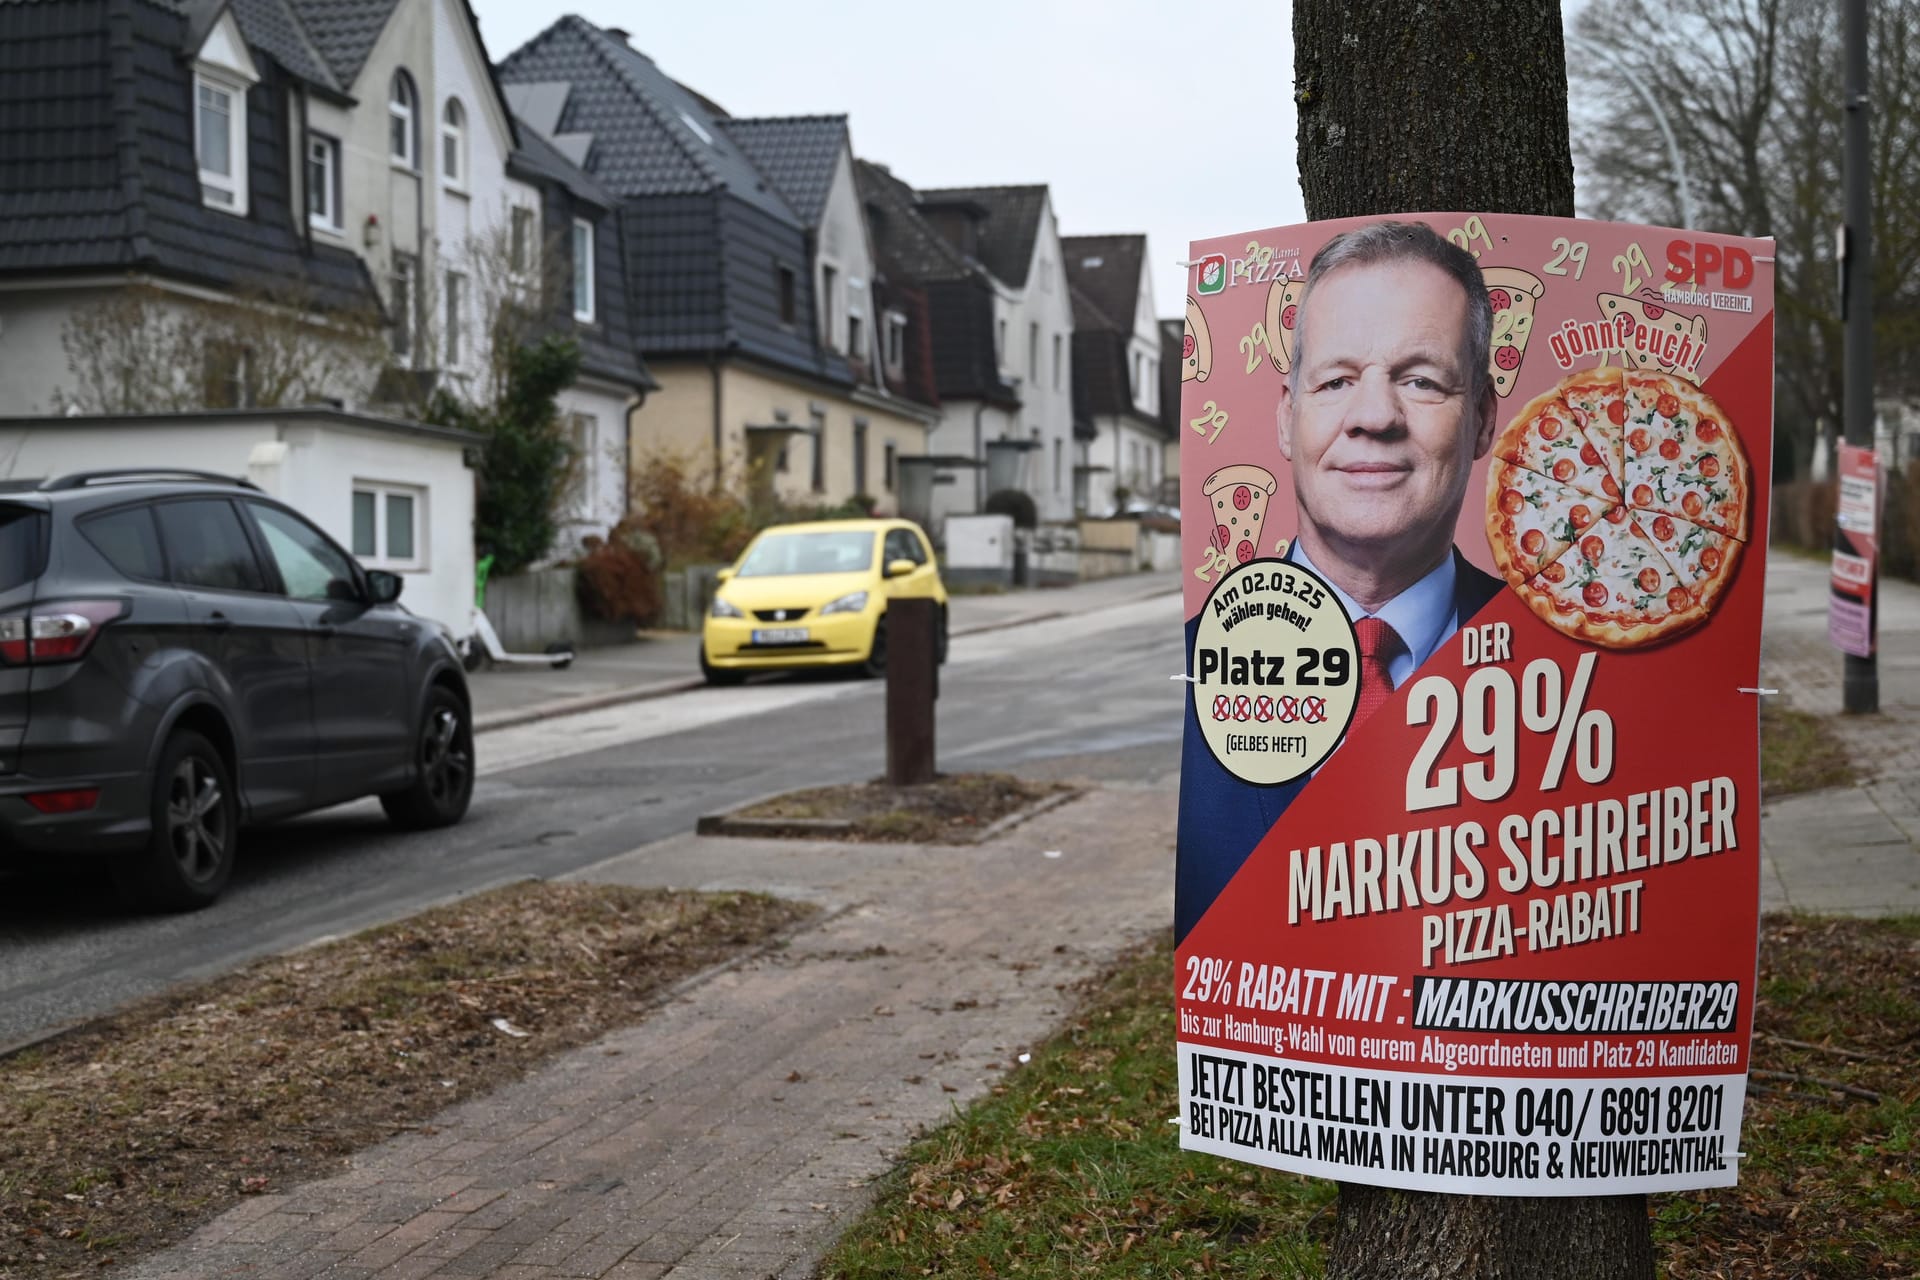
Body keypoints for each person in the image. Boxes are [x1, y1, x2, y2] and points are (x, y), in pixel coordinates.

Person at [1176, 221, 1505, 942]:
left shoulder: (1576, 667)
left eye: (1421, 380)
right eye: (1336, 381)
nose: (1374, 417)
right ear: (1288, 418)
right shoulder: (1193, 663)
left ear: (1481, 420)